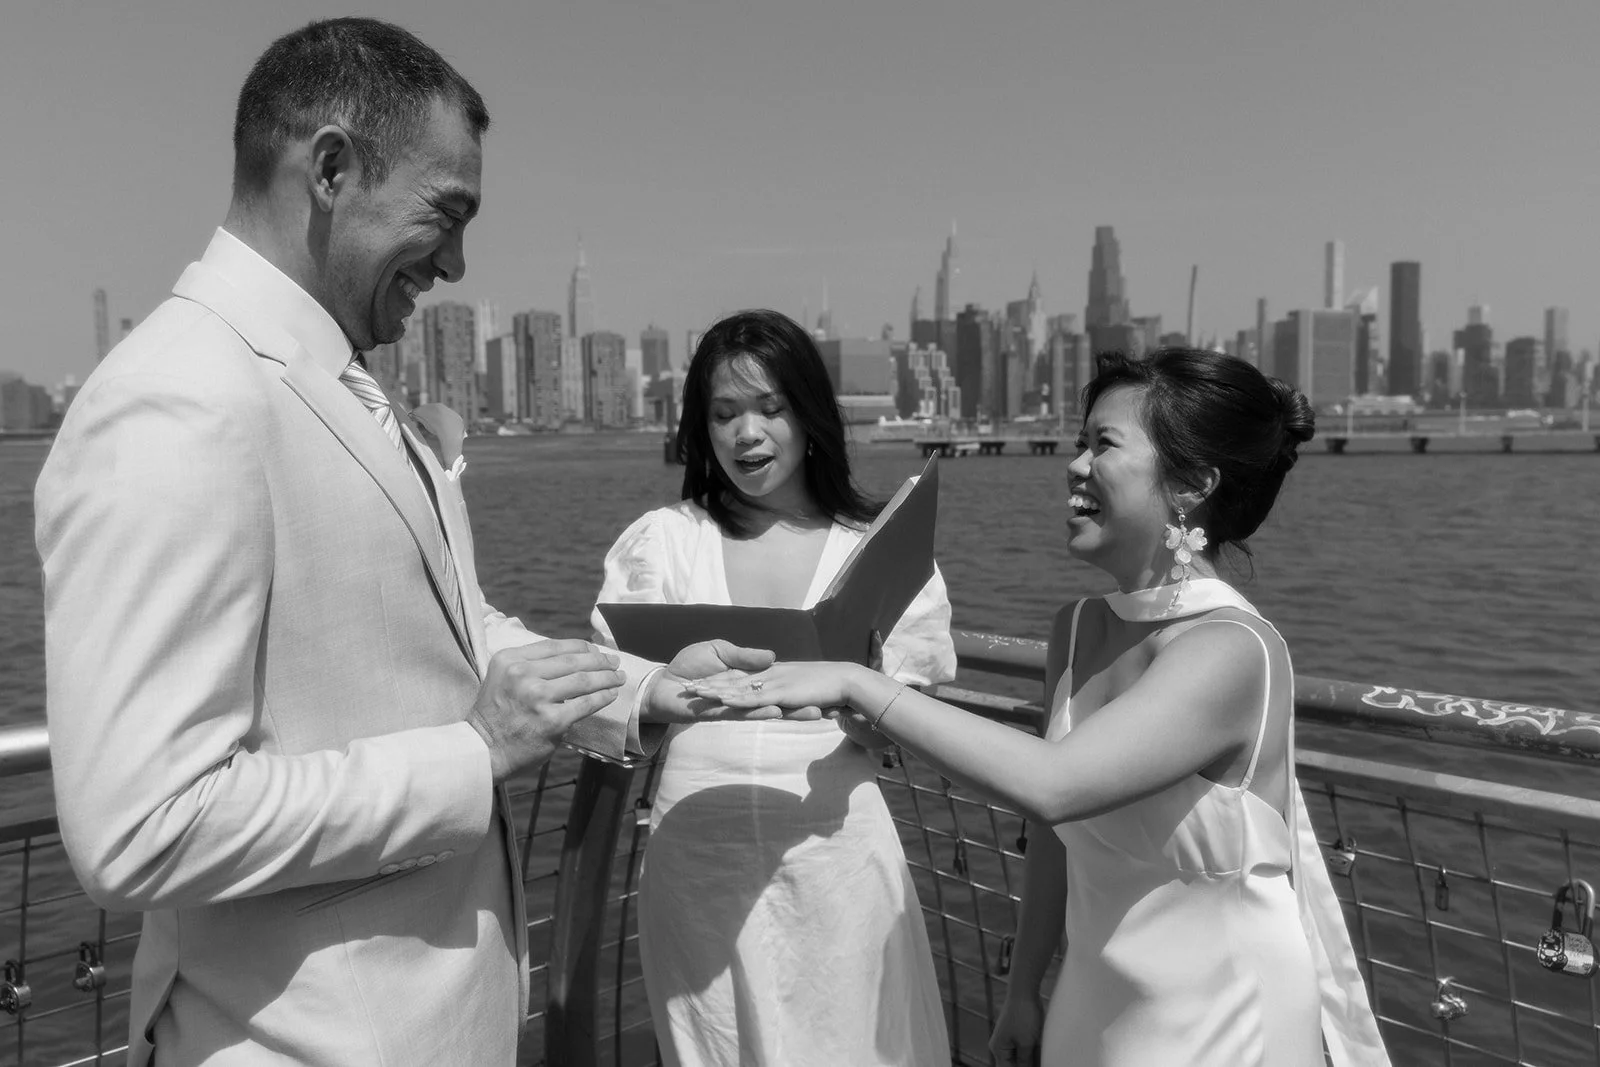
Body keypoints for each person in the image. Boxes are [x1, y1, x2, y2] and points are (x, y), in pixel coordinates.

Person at [35, 20, 785, 1067]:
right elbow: (140, 824)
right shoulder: (179, 400)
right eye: (447, 213)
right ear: (332, 168)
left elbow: (447, 624)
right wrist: (469, 754)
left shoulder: (325, 379)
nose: (459, 259)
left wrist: (636, 689)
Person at [687, 348, 1393, 1067]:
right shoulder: (1080, 627)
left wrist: (857, 681)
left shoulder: (1232, 648)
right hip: (1095, 997)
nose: (1076, 463)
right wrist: (1025, 987)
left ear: (1192, 483)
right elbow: (1055, 829)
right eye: (1081, 441)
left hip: (1227, 1009)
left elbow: (1056, 781)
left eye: (1105, 444)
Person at [590, 309, 957, 1067]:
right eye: (723, 414)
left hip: (836, 854)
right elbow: (609, 685)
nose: (746, 434)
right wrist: (659, 691)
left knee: (856, 1038)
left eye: (769, 408)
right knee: (716, 1042)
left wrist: (868, 715)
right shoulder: (665, 541)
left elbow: (910, 720)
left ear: (809, 415)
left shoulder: (874, 551)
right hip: (698, 859)